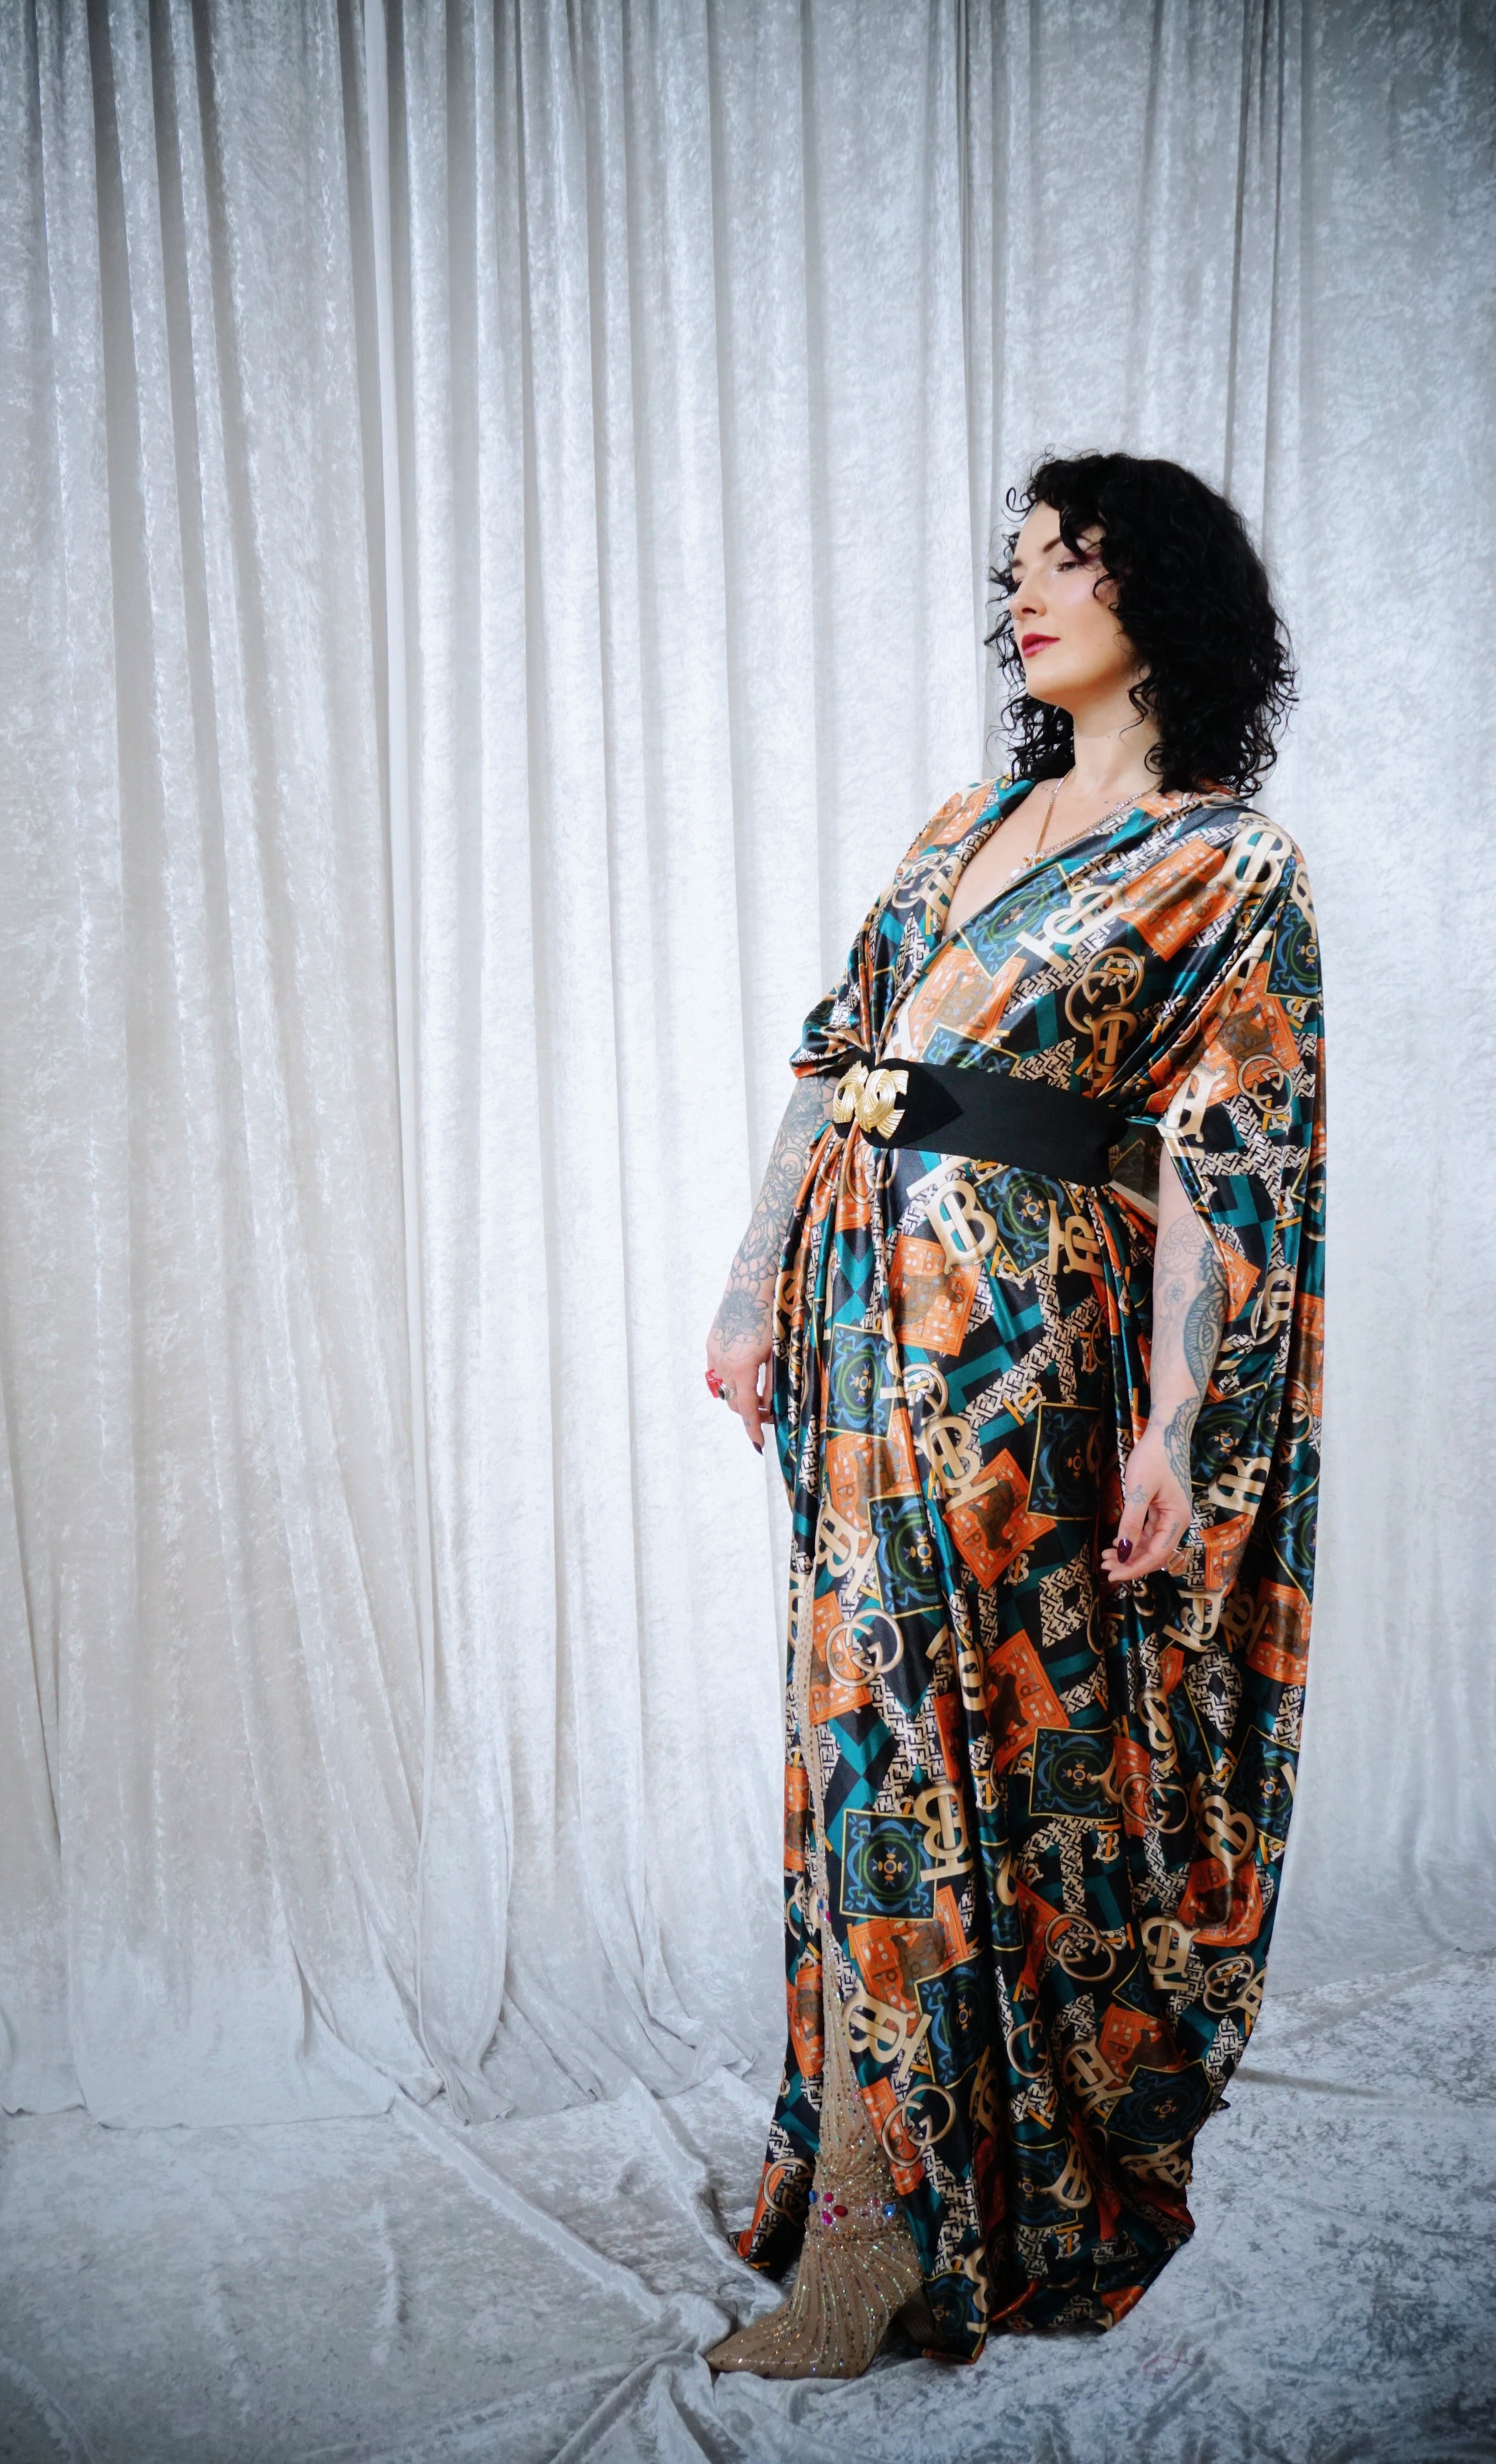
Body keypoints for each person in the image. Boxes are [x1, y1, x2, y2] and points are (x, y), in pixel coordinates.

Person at [702, 452, 1324, 2377]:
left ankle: (903, 2234)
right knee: (859, 1743)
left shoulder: (1228, 862)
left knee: (962, 1756)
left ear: (1170, 600)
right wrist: (747, 1283)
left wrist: (1172, 1429)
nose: (1030, 593)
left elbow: (1222, 1167)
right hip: (854, 1318)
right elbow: (841, 1057)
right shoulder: (966, 819)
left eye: (1078, 562)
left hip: (1017, 1354)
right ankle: (876, 2193)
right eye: (1023, 565)